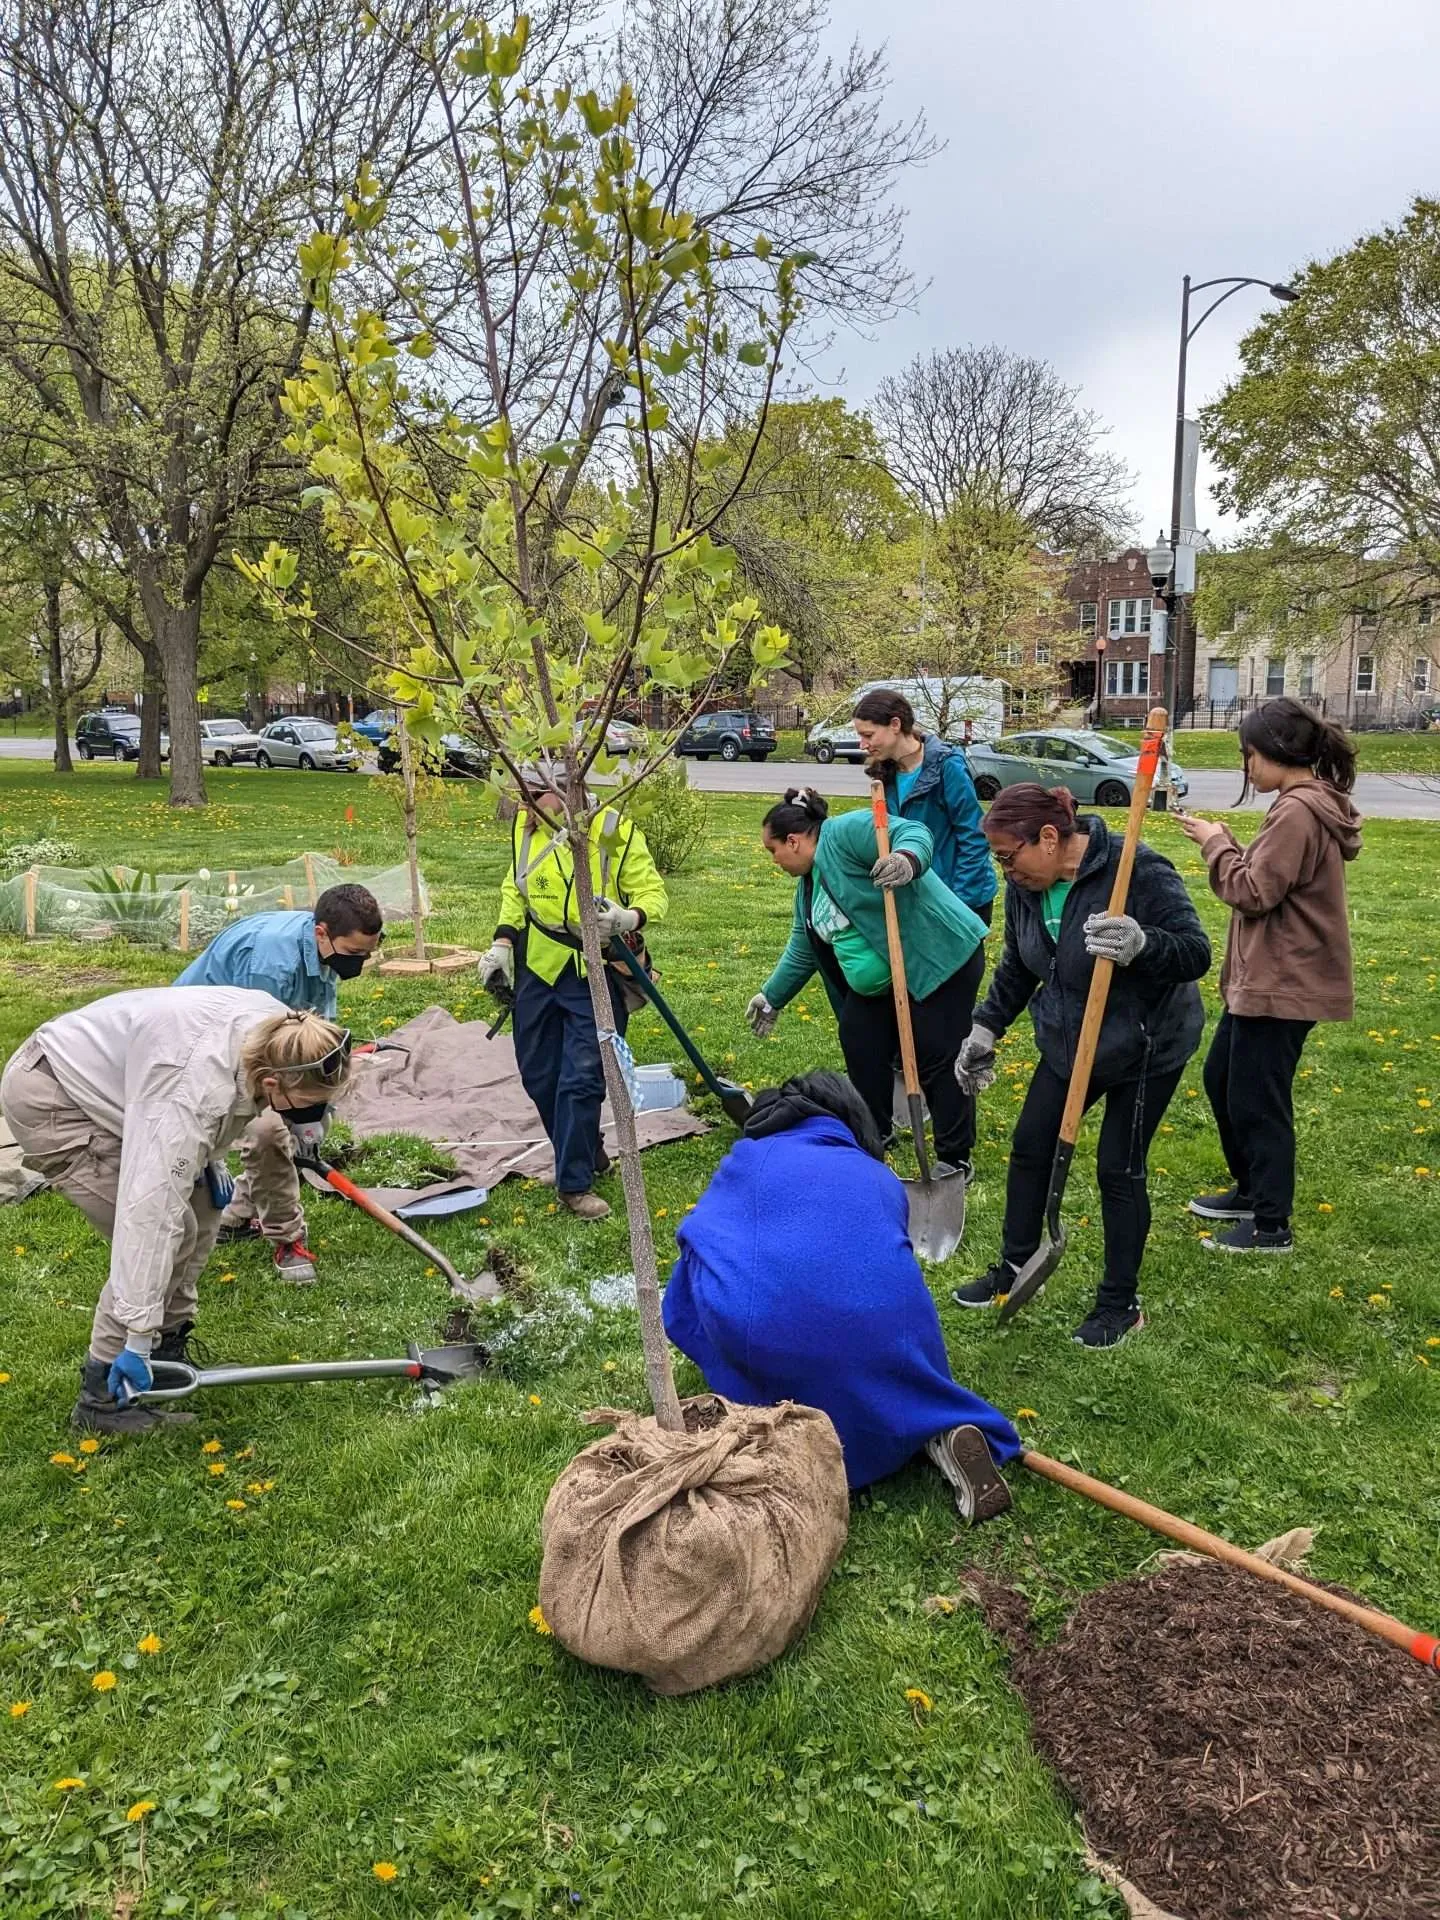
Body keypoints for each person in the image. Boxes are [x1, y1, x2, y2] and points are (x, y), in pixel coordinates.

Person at [663, 1071, 1019, 1521]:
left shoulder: (748, 1157)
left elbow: (699, 1235)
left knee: (697, 1255)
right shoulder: (880, 1176)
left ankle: (772, 1413)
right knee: (882, 1318)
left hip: (775, 1337)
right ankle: (930, 1423)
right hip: (889, 1334)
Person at [0, 994, 353, 1434]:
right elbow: (147, 1215)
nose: (313, 1110)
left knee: (206, 1203)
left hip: (137, 1084)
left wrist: (294, 1127)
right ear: (270, 1084)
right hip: (54, 1095)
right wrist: (135, 1335)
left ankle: (166, 1353)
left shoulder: (291, 1036)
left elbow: (222, 1104)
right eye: (305, 1101)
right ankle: (104, 1396)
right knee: (171, 1231)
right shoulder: (190, 1093)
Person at [951, 784, 1211, 1348]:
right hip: (1071, 1037)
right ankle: (1017, 1267)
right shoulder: (1028, 884)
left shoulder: (1134, 868)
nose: (1005, 871)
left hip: (1146, 1044)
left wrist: (1143, 944)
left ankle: (1120, 1303)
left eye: (1007, 856)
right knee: (1030, 1146)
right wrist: (985, 1026)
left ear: (1049, 838)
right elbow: (1019, 965)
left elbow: (1195, 951)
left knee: (1118, 1169)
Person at [1176, 698, 1362, 1253]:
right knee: (1223, 1080)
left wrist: (1215, 845)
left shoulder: (1298, 810)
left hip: (1284, 983)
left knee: (1259, 1100)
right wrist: (1230, 844)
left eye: (1247, 754)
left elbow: (1253, 893)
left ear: (1274, 751)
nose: (1245, 765)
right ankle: (1252, 1190)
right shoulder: (1300, 805)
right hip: (1267, 980)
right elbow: (1266, 879)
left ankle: (1270, 1225)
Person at [747, 788, 989, 1177]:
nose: (772, 860)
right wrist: (772, 996)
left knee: (936, 1055)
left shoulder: (844, 833)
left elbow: (913, 831)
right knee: (860, 1039)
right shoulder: (807, 888)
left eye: (771, 850)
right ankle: (875, 1129)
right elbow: (803, 947)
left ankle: (954, 1156)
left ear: (793, 841)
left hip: (938, 959)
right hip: (883, 984)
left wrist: (906, 860)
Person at [476, 768, 667, 1221]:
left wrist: (627, 918)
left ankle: (574, 1184)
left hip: (595, 971)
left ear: (564, 791)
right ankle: (586, 1151)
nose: (522, 805)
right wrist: (503, 942)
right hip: (538, 967)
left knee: (582, 1077)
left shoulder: (614, 829)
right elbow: (514, 889)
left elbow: (654, 895)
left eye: (531, 795)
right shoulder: (527, 833)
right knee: (539, 1074)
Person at [173, 884, 383, 1283]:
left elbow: (314, 1041)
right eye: (355, 954)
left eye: (368, 953)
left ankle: (234, 1215)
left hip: (257, 1038)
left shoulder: (322, 952)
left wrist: (319, 1111)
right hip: (201, 1044)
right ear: (322, 932)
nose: (360, 962)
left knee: (304, 1112)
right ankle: (288, 1240)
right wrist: (294, 1118)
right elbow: (264, 1057)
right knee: (269, 1132)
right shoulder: (271, 966)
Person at [853, 688, 997, 923]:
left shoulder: (947, 767)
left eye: (868, 735)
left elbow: (974, 837)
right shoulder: (884, 775)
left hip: (960, 900)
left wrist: (957, 905)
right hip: (917, 898)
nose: (862, 744)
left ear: (895, 725)